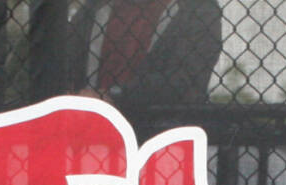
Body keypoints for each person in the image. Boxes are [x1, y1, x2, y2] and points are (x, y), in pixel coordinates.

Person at [41, 0, 221, 115]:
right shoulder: (94, 8)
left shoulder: (198, 9)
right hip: (88, 130)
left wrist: (113, 97)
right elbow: (63, 65)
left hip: (159, 135)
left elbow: (185, 79)